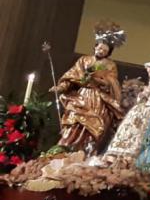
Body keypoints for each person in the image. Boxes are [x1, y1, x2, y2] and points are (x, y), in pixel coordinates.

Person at [51, 23, 126, 153]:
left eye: (104, 50)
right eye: (99, 48)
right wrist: (61, 87)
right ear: (95, 47)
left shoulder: (109, 65)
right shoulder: (84, 60)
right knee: (75, 121)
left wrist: (97, 80)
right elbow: (72, 75)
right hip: (81, 96)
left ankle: (85, 150)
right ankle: (66, 148)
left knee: (92, 125)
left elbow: (112, 82)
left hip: (97, 99)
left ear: (108, 52)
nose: (101, 51)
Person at [106, 61, 150, 169]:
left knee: (140, 138)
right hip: (140, 113)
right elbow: (142, 98)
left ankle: (134, 160)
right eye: (149, 73)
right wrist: (142, 95)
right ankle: (117, 157)